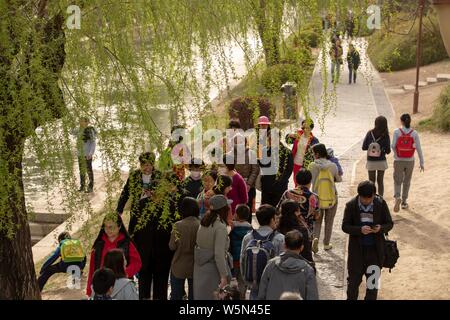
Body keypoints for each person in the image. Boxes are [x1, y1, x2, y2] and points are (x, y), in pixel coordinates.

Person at [342, 180, 393, 300]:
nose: (366, 201)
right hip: (356, 252)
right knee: (353, 284)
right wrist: (360, 230)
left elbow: (389, 223)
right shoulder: (351, 205)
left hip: (375, 252)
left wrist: (380, 228)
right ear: (359, 195)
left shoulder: (380, 204)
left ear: (374, 195)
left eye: (369, 199)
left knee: (372, 285)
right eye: (364, 199)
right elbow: (345, 226)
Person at [134, 170, 179, 300]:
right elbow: (134, 229)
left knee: (161, 286)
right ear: (149, 192)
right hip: (144, 253)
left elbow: (175, 230)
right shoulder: (141, 205)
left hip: (163, 254)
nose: (155, 196)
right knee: (144, 287)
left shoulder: (170, 206)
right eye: (153, 193)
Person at [86, 213, 141, 297]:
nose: (108, 230)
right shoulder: (98, 244)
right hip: (101, 288)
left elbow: (137, 263)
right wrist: (90, 289)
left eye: (111, 227)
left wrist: (123, 274)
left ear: (119, 227)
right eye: (105, 226)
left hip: (121, 287)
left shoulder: (127, 244)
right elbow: (92, 268)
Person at [257, 230, 319, 300]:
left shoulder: (271, 265)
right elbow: (312, 297)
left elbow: (262, 293)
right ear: (302, 248)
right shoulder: (308, 270)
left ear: (284, 245)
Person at [240, 204, 285, 300]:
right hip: (273, 286)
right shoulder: (280, 239)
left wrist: (248, 281)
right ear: (272, 219)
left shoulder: (248, 237)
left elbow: (242, 261)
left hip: (254, 284)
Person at [193, 195, 232, 300]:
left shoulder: (204, 221)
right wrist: (224, 276)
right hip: (213, 271)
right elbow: (218, 254)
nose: (229, 208)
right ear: (223, 209)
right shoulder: (220, 227)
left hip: (199, 268)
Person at [308, 143, 342, 253]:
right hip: (331, 197)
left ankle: (315, 239)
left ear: (317, 154)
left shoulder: (312, 166)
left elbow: (309, 180)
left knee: (317, 221)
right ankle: (326, 244)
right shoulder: (332, 165)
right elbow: (339, 179)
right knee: (329, 221)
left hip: (317, 197)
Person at [168, 197, 200, 300]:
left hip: (178, 265)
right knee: (194, 296)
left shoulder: (177, 225)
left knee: (176, 295)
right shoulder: (200, 225)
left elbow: (172, 246)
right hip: (195, 266)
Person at [391, 113, 424, 212]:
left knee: (397, 180)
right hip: (410, 160)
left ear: (401, 121)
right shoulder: (414, 133)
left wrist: (397, 154)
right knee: (407, 181)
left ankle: (397, 197)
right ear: (409, 121)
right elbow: (418, 148)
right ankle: (404, 202)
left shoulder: (397, 131)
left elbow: (393, 145)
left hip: (398, 160)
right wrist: (421, 162)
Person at [116, 152, 161, 219]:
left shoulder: (159, 175)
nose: (147, 168)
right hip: (136, 210)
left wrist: (153, 195)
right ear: (140, 164)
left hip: (153, 211)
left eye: (149, 165)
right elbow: (125, 192)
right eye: (145, 165)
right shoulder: (134, 175)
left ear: (153, 164)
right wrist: (119, 210)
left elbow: (163, 195)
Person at [277, 169, 320, 233]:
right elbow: (316, 217)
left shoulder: (287, 193)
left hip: (287, 230)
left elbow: (278, 210)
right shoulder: (314, 197)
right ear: (310, 182)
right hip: (306, 231)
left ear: (296, 180)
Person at [259, 130, 293, 207]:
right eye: (269, 139)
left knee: (278, 211)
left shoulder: (287, 152)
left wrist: (279, 182)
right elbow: (263, 166)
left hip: (280, 187)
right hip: (267, 186)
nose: (271, 141)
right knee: (265, 211)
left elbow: (288, 171)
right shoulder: (265, 151)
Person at [229, 136, 259, 221]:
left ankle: (248, 228)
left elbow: (255, 170)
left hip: (249, 186)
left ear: (245, 143)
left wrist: (249, 184)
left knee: (247, 210)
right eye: (237, 142)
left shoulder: (251, 153)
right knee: (234, 209)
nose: (239, 144)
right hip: (233, 187)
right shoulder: (229, 154)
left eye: (241, 142)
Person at [362, 116, 391, 198]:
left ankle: (372, 198)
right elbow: (388, 151)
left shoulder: (369, 133)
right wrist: (382, 150)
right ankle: (381, 198)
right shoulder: (385, 135)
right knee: (380, 181)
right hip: (381, 161)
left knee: (371, 182)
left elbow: (363, 147)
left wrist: (371, 149)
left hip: (371, 161)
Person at [278, 200, 314, 264]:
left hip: (280, 263)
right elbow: (306, 253)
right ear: (295, 213)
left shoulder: (277, 228)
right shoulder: (301, 231)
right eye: (298, 211)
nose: (300, 213)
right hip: (298, 265)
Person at [229, 204, 253, 299]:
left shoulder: (232, 228)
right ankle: (242, 296)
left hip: (233, 259)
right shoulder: (250, 229)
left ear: (236, 215)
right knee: (242, 281)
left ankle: (232, 296)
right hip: (245, 260)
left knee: (232, 280)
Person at [286, 119, 319, 187]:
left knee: (305, 184)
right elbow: (288, 141)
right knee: (296, 183)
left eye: (307, 128)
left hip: (307, 164)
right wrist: (289, 135)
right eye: (303, 127)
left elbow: (316, 154)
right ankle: (297, 196)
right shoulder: (298, 135)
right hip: (296, 163)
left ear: (311, 128)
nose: (304, 129)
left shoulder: (314, 140)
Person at [71, 117, 96, 193]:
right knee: (81, 171)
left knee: (89, 170)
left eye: (82, 121)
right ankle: (82, 187)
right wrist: (70, 122)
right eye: (80, 121)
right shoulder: (78, 130)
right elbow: (71, 132)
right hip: (80, 154)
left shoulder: (90, 130)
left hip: (87, 154)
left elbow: (93, 143)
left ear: (87, 122)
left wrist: (90, 153)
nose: (80, 123)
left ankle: (90, 187)